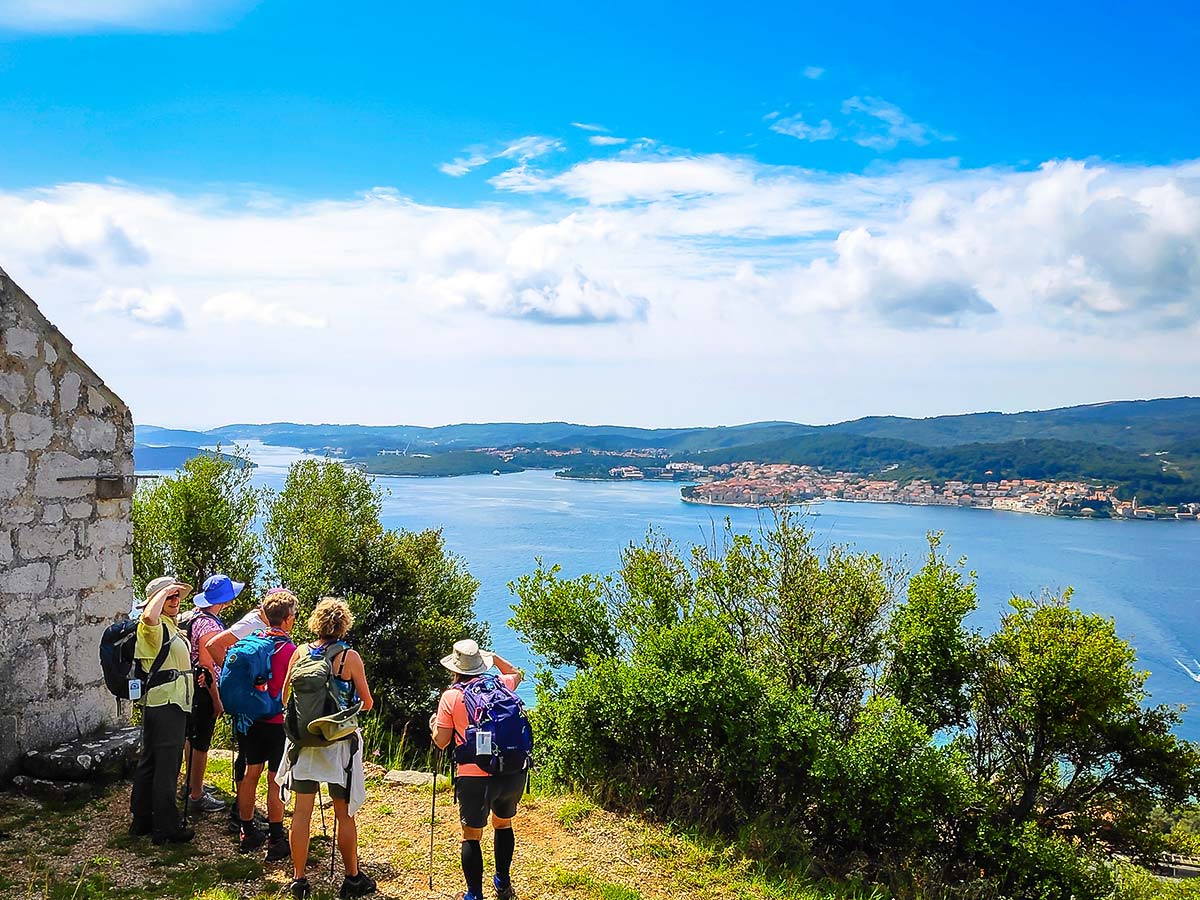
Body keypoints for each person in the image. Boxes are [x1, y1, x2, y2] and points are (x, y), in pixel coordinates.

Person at [277, 597, 375, 900]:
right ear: (343, 624)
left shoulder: (301, 653)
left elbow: (284, 699)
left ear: (316, 622)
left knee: (302, 812)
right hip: (338, 744)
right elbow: (367, 703)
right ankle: (352, 878)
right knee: (344, 814)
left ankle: (299, 880)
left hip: (304, 742)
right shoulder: (349, 657)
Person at [431, 640, 526, 900]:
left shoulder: (451, 696)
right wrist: (494, 658)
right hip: (512, 772)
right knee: (503, 824)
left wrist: (433, 726)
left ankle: (474, 895)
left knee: (471, 835)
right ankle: (503, 884)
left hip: (475, 777)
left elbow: (441, 741)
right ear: (480, 664)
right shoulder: (501, 686)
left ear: (455, 667)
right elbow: (516, 673)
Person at [128, 576, 196, 845]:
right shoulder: (153, 628)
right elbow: (147, 618)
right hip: (168, 703)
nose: (176, 600)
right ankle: (166, 828)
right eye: (170, 597)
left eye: (177, 596)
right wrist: (162, 593)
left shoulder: (170, 627)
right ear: (156, 601)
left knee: (151, 763)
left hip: (165, 702)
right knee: (167, 767)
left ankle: (142, 820)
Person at [233, 588, 298, 860]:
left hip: (249, 718)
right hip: (274, 720)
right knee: (275, 779)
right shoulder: (291, 650)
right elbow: (289, 690)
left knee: (251, 773)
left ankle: (246, 832)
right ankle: (275, 840)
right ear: (287, 619)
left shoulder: (252, 641)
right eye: (293, 615)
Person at [205, 590, 276, 833]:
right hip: (249, 703)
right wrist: (232, 674)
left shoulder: (259, 622)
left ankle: (243, 813)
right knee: (247, 758)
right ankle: (240, 815)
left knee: (249, 757)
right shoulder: (252, 623)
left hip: (252, 701)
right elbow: (214, 644)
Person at [180, 574, 244, 815]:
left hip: (192, 688)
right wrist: (217, 699)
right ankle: (196, 795)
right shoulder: (209, 626)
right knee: (202, 742)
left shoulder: (196, 616)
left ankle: (190, 784)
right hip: (206, 689)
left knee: (191, 737)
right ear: (223, 600)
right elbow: (207, 667)